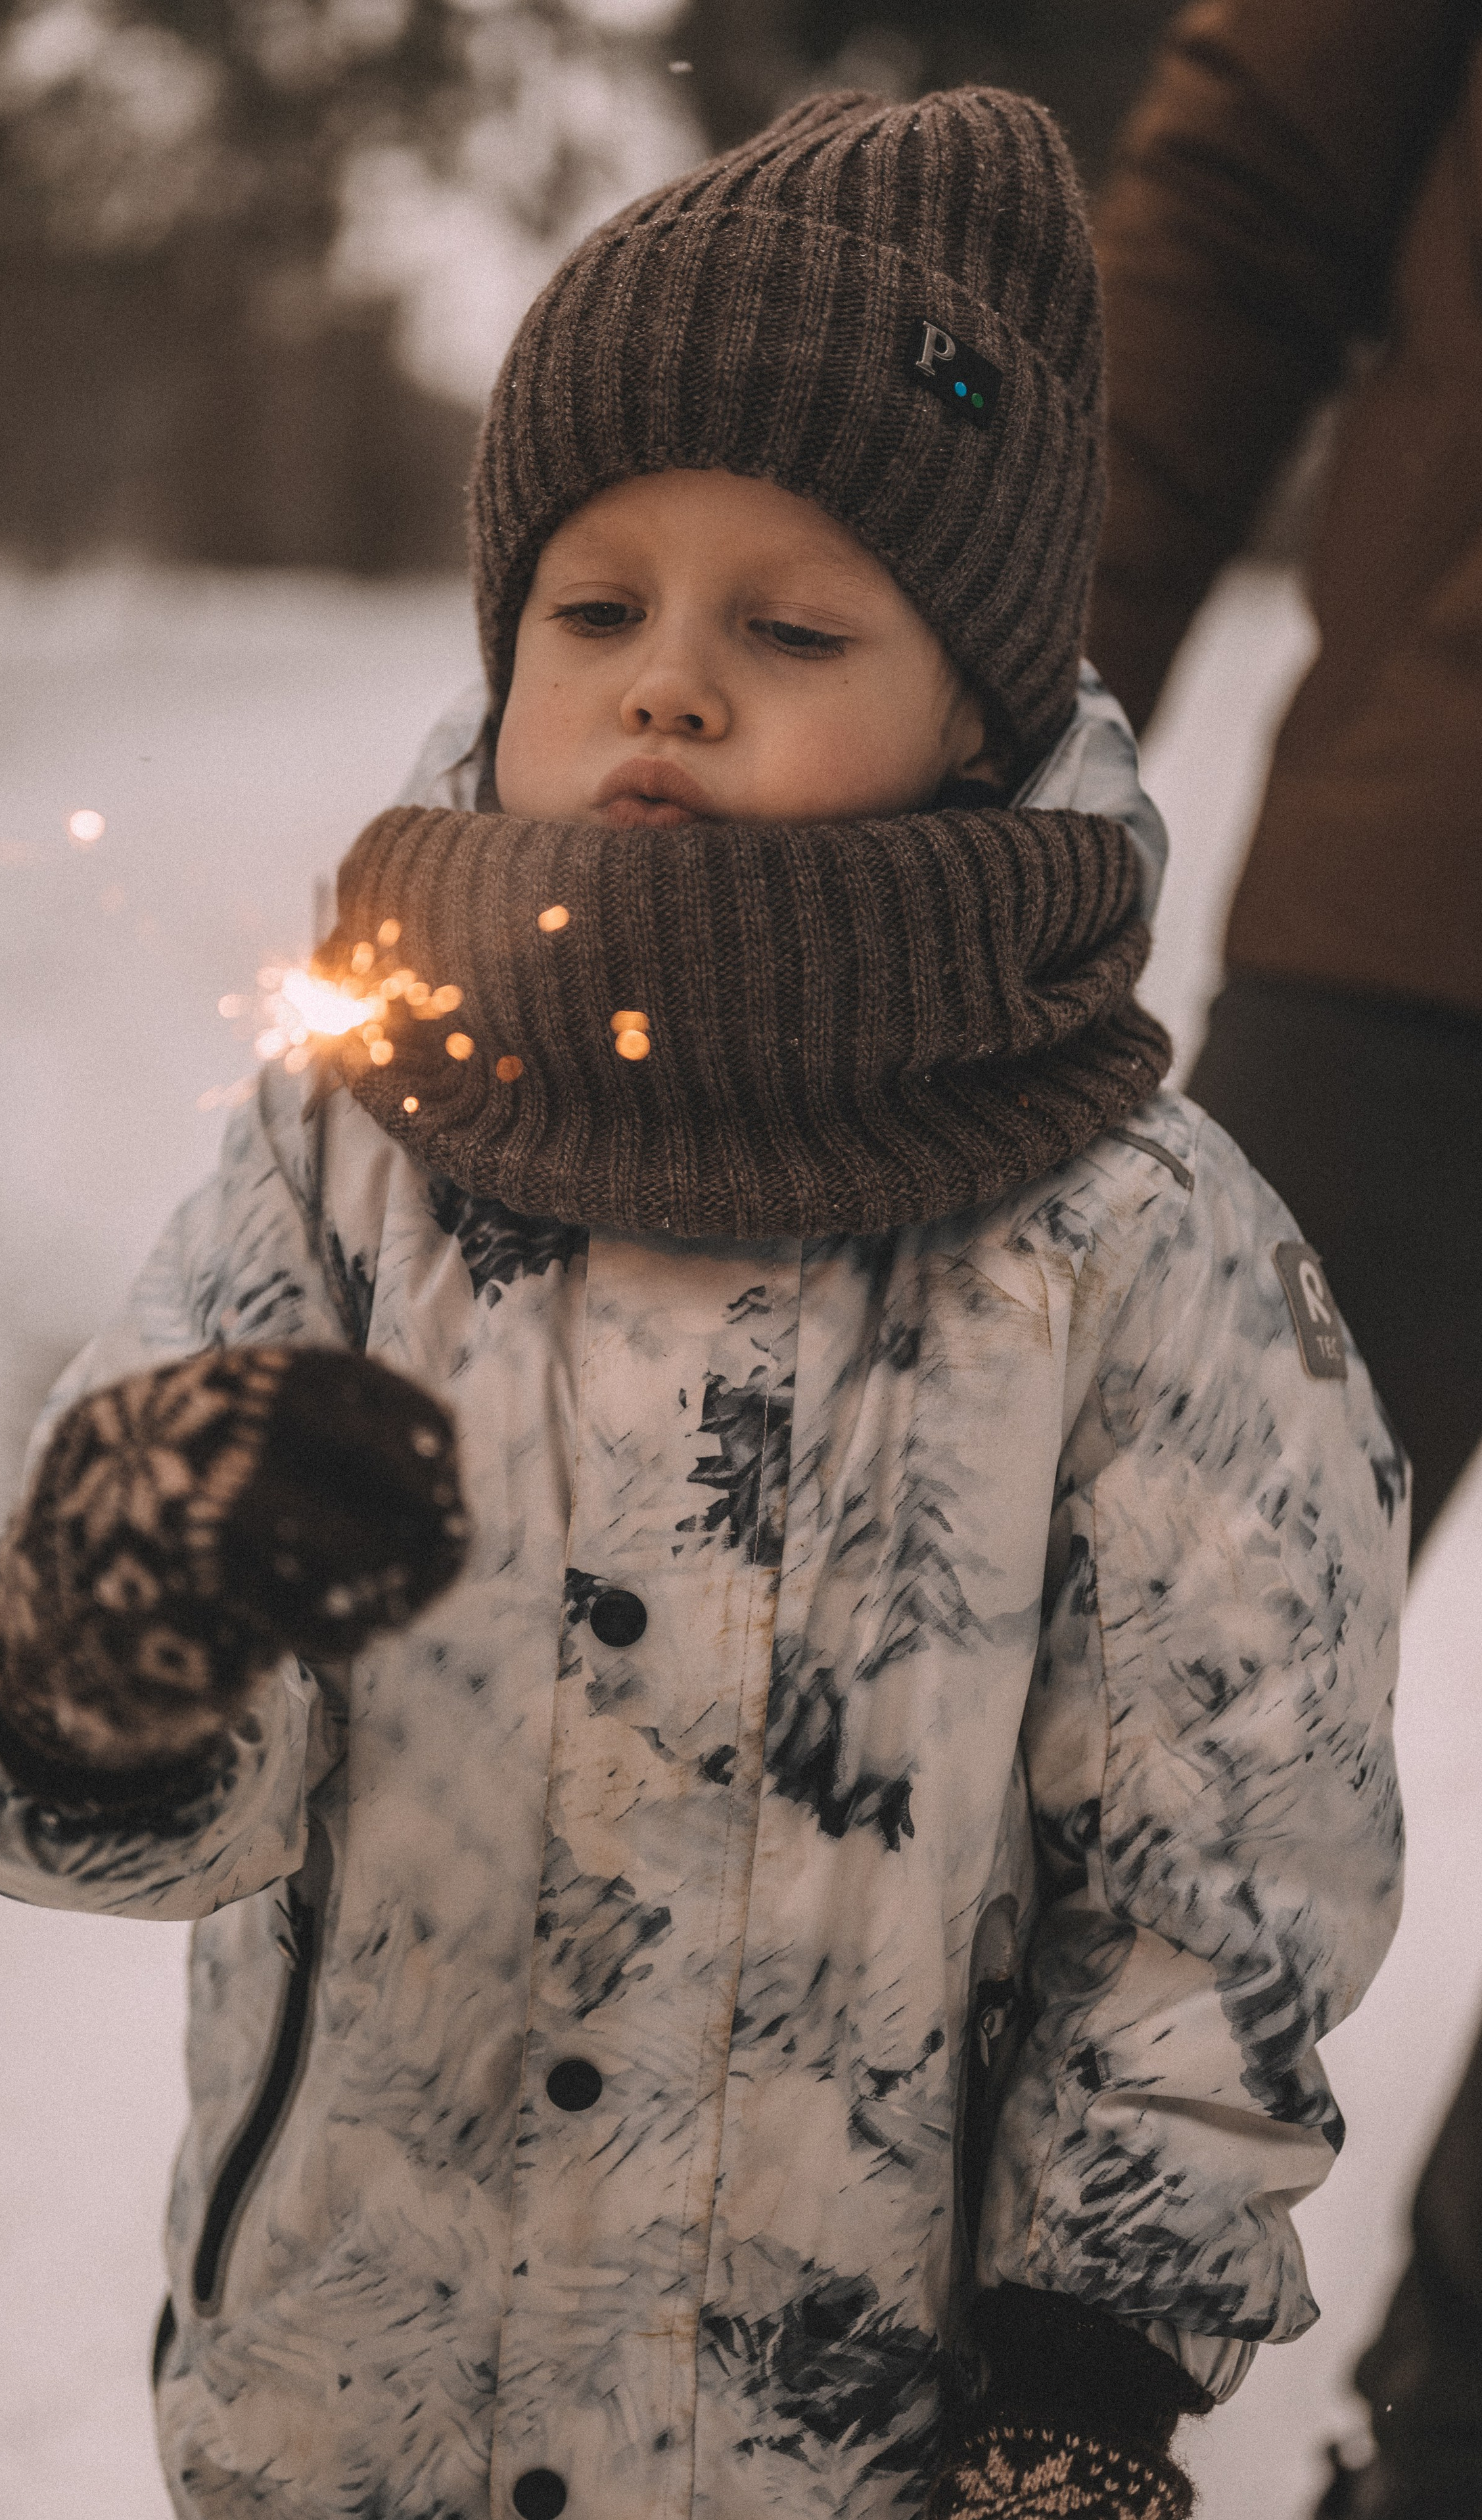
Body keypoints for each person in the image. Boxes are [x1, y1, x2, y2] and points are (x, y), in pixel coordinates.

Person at [0, 89, 1407, 2520]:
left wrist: (1089, 2379)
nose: (666, 690)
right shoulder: (347, 1146)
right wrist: (107, 1650)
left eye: (788, 627)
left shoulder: (1138, 1240)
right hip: (343, 2430)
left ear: (983, 716)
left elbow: (1219, 1869)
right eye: (595, 611)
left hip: (869, 2461)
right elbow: (140, 1797)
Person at [1084, 7, 1482, 2511]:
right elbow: (1238, 210)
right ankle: (950, 2404)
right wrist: (954, 732)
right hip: (1431, 891)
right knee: (1126, 1723)